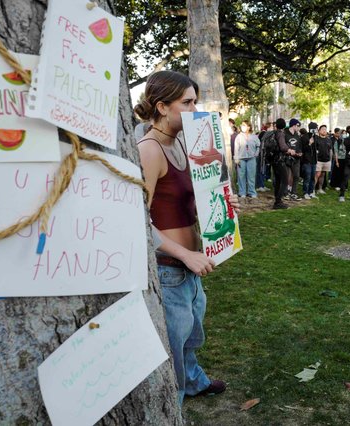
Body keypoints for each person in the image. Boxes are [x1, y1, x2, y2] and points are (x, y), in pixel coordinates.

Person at [135, 70, 235, 402]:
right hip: (170, 267)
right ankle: (173, 403)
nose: (195, 110)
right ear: (162, 107)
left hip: (192, 267)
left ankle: (193, 382)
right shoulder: (149, 150)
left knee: (192, 336)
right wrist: (185, 254)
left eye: (195, 101)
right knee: (173, 345)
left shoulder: (183, 141)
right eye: (187, 103)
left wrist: (223, 203)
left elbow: (196, 196)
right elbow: (136, 220)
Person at [272, 118, 297, 209]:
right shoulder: (281, 134)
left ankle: (277, 200)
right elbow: (282, 147)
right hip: (279, 160)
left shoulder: (274, 133)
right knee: (285, 180)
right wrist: (289, 150)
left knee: (278, 180)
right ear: (284, 125)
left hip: (274, 160)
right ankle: (278, 201)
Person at [234, 120, 260, 200]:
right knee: (241, 176)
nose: (242, 127)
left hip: (251, 159)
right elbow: (236, 148)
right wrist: (236, 158)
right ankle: (242, 192)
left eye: (244, 125)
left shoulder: (254, 136)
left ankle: (251, 192)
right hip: (241, 159)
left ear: (249, 127)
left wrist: (256, 153)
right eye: (242, 125)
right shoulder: (239, 136)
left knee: (251, 176)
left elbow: (258, 145)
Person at [285, 119, 303, 200]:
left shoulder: (297, 135)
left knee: (296, 176)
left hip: (296, 159)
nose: (299, 128)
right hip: (287, 158)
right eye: (298, 126)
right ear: (294, 125)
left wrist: (300, 152)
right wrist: (289, 152)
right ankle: (285, 193)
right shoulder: (285, 134)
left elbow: (299, 146)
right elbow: (283, 146)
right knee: (286, 176)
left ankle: (293, 193)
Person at [301, 122, 318, 199]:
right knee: (307, 176)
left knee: (312, 177)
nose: (317, 130)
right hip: (306, 160)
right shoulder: (304, 137)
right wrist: (309, 144)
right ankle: (305, 192)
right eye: (316, 128)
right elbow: (303, 149)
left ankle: (311, 192)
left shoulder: (316, 137)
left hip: (314, 160)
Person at [314, 124, 333, 194]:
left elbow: (330, 150)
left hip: (327, 160)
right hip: (318, 160)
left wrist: (330, 160)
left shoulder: (329, 140)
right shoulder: (316, 139)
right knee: (317, 174)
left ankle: (320, 189)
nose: (324, 131)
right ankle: (312, 190)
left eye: (325, 129)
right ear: (319, 131)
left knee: (323, 175)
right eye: (323, 129)